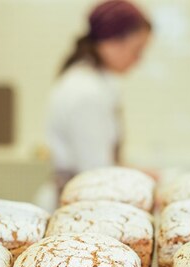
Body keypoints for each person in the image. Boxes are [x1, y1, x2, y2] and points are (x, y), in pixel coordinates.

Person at [46, 0, 152, 191]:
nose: (139, 60)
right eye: (137, 50)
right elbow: (96, 172)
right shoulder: (86, 91)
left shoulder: (96, 83)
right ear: (110, 43)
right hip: (81, 200)